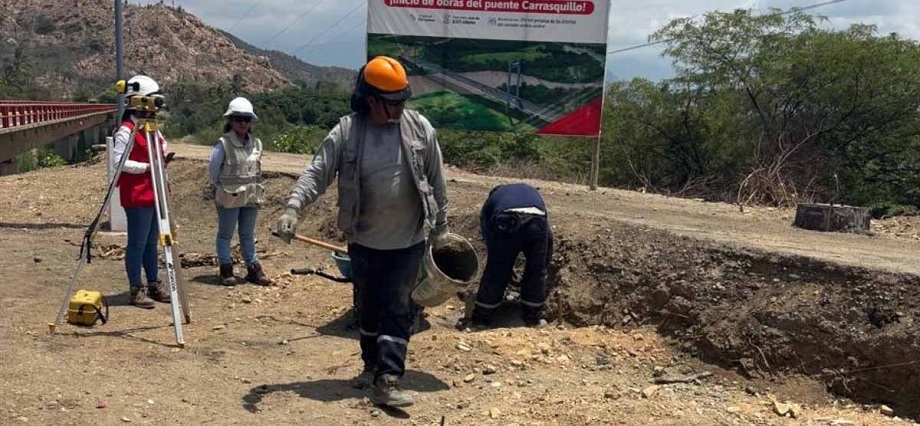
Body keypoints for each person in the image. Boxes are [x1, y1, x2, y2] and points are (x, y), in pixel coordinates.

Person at [276, 55, 449, 408]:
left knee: (398, 308)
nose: (401, 107)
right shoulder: (347, 132)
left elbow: (437, 180)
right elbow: (316, 174)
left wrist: (442, 229)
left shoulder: (420, 129)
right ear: (372, 100)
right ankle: (371, 366)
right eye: (393, 102)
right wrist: (293, 208)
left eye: (403, 100)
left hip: (408, 240)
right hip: (363, 240)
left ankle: (388, 378)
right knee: (368, 309)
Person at [110, 75, 173, 309]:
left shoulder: (151, 129)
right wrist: (148, 167)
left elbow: (162, 145)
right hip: (137, 194)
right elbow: (118, 163)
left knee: (151, 243)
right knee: (137, 242)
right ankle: (136, 288)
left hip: (155, 192)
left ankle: (153, 283)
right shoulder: (126, 130)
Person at [208, 97, 272, 286]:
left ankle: (253, 268)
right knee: (225, 234)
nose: (243, 123)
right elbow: (213, 170)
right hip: (230, 196)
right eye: (238, 119)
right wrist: (221, 186)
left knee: (248, 234)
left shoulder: (256, 143)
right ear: (230, 121)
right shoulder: (223, 143)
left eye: (246, 119)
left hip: (251, 196)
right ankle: (226, 269)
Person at [471, 183, 553, 329]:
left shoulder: (492, 201)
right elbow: (547, 235)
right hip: (537, 219)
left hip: (506, 219)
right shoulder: (530, 192)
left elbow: (488, 234)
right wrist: (543, 264)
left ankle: (481, 319)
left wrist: (500, 259)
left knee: (497, 270)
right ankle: (533, 319)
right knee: (535, 271)